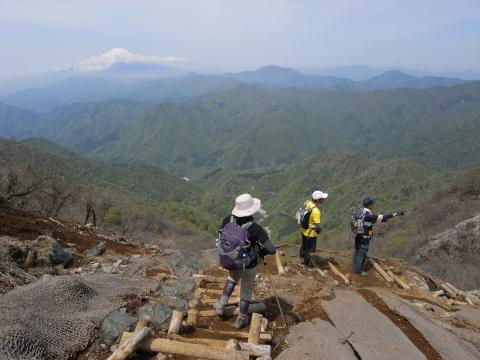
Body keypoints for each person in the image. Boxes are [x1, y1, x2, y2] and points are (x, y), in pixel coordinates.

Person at [213, 193, 276, 329]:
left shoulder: (227, 220)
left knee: (231, 279)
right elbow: (271, 249)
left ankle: (221, 304)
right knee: (246, 289)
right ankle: (241, 318)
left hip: (231, 259)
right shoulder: (255, 229)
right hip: (248, 263)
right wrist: (260, 252)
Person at [353, 196, 405, 276]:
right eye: (373, 203)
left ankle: (355, 266)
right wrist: (397, 214)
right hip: (365, 238)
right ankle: (359, 271)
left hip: (358, 235)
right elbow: (385, 216)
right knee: (362, 253)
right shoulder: (370, 216)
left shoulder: (359, 212)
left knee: (357, 250)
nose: (374, 204)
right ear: (370, 205)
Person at [299, 190, 328, 268]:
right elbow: (317, 227)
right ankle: (306, 265)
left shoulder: (308, 203)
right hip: (310, 233)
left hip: (303, 229)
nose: (323, 199)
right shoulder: (316, 211)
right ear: (318, 200)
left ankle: (301, 258)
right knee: (310, 250)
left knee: (304, 245)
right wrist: (318, 231)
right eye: (322, 198)